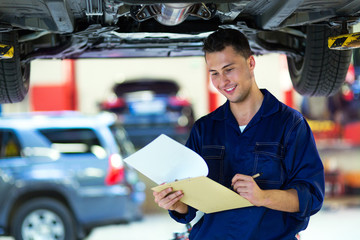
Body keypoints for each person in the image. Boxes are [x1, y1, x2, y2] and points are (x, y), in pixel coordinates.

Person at [153, 28, 325, 240]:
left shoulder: (290, 124)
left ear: (251, 63)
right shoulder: (205, 129)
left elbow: (312, 197)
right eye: (214, 73)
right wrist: (175, 203)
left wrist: (262, 197)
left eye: (229, 69)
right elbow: (188, 206)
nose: (222, 81)